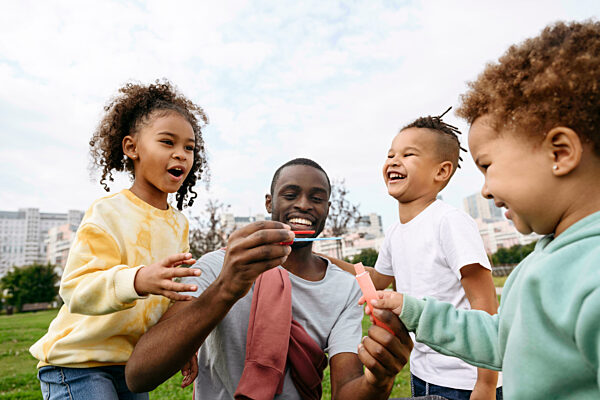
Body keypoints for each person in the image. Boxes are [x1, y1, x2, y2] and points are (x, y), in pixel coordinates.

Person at [370, 20, 600, 399]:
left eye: (488, 166)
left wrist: (483, 384)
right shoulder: (538, 264)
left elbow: (483, 305)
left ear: (560, 153)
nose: (486, 190)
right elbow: (499, 338)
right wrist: (414, 310)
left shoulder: (589, 273)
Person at [125, 158, 414, 400]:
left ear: (327, 208)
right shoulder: (218, 267)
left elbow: (347, 389)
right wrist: (226, 288)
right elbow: (139, 375)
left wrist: (379, 380)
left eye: (317, 198)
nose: (303, 205)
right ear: (269, 202)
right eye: (290, 195)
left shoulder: (345, 289)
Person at [30, 79, 209, 399]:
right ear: (132, 148)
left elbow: (175, 296)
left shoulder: (179, 225)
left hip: (131, 364)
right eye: (167, 142)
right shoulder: (108, 213)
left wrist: (183, 342)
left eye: (189, 147)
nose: (181, 154)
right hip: (77, 363)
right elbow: (75, 289)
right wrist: (138, 280)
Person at [322, 111, 501, 399]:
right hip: (422, 372)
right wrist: (321, 259)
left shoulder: (449, 222)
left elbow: (485, 302)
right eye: (391, 154)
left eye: (408, 154)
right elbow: (377, 279)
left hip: (465, 380)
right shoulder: (395, 232)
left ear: (441, 172)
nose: (393, 161)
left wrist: (486, 384)